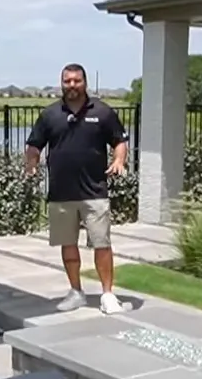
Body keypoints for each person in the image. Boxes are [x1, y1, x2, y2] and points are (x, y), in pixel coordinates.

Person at [25, 63, 128, 314]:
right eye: (67, 81)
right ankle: (76, 292)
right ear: (62, 83)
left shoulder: (102, 112)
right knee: (68, 244)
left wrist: (119, 160)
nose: (72, 85)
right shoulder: (50, 114)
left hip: (94, 191)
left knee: (102, 243)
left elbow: (119, 140)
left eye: (76, 81)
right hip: (61, 193)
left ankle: (108, 295)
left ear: (85, 83)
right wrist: (31, 162)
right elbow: (35, 144)